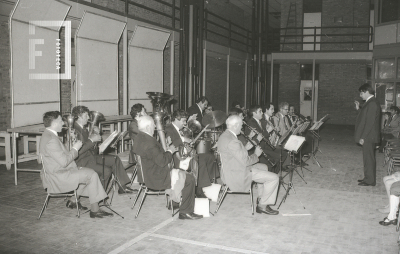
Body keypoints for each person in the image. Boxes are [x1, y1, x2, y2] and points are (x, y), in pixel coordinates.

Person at [39, 111, 113, 218]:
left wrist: (70, 147)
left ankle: (74, 201)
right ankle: (95, 210)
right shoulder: (51, 140)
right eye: (60, 121)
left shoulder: (47, 135)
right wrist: (75, 148)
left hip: (58, 171)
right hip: (58, 176)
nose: (63, 124)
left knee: (88, 174)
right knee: (91, 174)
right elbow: (64, 161)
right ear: (54, 123)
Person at [132, 115, 203, 220]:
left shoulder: (139, 137)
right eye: (153, 126)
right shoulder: (149, 142)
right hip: (156, 177)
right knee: (190, 178)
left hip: (147, 173)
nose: (155, 128)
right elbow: (163, 161)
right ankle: (185, 212)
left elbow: (154, 156)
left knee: (181, 173)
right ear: (147, 127)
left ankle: (174, 202)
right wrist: (170, 150)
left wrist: (166, 147)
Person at [217, 115, 279, 215]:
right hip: (237, 173)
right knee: (274, 178)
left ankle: (261, 198)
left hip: (232, 168)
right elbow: (245, 161)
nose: (242, 128)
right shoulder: (232, 141)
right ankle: (263, 205)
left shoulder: (225, 135)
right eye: (241, 125)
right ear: (235, 125)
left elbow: (233, 155)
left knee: (264, 167)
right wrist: (256, 154)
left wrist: (245, 149)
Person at [72, 106, 134, 194]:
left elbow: (92, 149)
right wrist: (92, 140)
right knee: (106, 171)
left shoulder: (84, 129)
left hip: (91, 157)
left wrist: (102, 142)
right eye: (86, 116)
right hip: (82, 161)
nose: (89, 118)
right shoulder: (74, 130)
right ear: (79, 116)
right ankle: (98, 195)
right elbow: (78, 151)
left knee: (115, 159)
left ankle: (122, 187)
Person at [164, 109, 218, 198]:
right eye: (183, 121)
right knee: (200, 162)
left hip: (183, 154)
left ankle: (203, 183)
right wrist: (183, 140)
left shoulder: (177, 128)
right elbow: (171, 143)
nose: (185, 123)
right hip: (176, 159)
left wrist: (187, 145)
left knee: (209, 157)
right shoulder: (169, 128)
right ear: (176, 119)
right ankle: (199, 190)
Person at [354, 83, 381, 186]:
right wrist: (359, 108)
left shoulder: (372, 103)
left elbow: (370, 123)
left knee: (369, 158)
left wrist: (363, 137)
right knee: (367, 158)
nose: (360, 95)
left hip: (369, 136)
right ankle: (367, 177)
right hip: (369, 135)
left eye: (361, 93)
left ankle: (370, 180)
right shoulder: (370, 102)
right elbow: (366, 115)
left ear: (366, 92)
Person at [245, 105, 278, 172]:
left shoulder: (261, 121)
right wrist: (268, 131)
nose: (262, 113)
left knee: (279, 155)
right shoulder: (251, 123)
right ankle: (272, 175)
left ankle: (273, 174)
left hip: (264, 145)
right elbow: (259, 137)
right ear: (254, 113)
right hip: (258, 148)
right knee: (276, 157)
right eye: (260, 111)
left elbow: (262, 134)